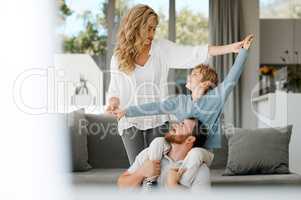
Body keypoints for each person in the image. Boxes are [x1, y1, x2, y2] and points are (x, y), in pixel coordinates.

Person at [106, 4, 245, 164]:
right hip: (129, 119)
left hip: (157, 119)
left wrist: (231, 48)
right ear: (136, 27)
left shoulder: (161, 49)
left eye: (154, 29)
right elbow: (114, 89)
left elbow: (194, 53)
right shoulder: (118, 57)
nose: (152, 34)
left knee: (157, 168)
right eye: (149, 28)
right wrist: (113, 103)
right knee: (137, 169)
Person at [113, 34, 254, 150]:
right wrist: (127, 111)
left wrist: (243, 51)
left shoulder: (215, 99)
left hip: (202, 151)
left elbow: (232, 78)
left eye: (194, 74)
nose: (189, 76)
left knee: (195, 156)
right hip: (181, 149)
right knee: (160, 150)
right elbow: (155, 107)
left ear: (204, 83)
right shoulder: (179, 102)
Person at [117, 118, 211, 190]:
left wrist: (173, 186)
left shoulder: (201, 171)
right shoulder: (149, 154)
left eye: (182, 125)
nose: (175, 125)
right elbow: (121, 186)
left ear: (190, 139)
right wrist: (141, 172)